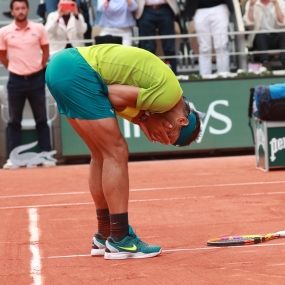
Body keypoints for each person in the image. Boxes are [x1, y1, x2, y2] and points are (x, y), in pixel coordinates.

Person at [45, 44, 203, 260]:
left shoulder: (167, 94)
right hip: (76, 70)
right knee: (116, 151)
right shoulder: (168, 97)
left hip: (61, 67)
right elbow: (110, 94)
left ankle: (105, 233)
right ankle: (120, 238)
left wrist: (142, 118)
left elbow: (109, 95)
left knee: (100, 153)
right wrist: (144, 118)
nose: (162, 138)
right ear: (181, 120)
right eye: (169, 134)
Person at [0, 0, 55, 169]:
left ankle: (46, 155)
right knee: (14, 120)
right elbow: (2, 55)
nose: (20, 10)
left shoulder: (39, 29)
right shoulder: (4, 31)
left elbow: (45, 51)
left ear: (28, 10)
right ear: (12, 11)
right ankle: (14, 158)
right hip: (15, 81)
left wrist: (38, 67)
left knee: (41, 118)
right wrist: (14, 69)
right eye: (17, 8)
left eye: (23, 8)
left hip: (37, 79)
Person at [184, 0, 234, 76]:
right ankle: (205, 77)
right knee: (204, 48)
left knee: (221, 46)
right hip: (199, 9)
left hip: (220, 7)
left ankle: (224, 76)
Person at [135, 0, 179, 75]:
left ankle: (173, 75)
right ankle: (149, 75)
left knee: (169, 47)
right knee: (148, 48)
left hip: (166, 8)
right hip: (145, 10)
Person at [243, 0, 285, 71]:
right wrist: (251, 6)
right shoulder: (252, 3)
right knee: (260, 34)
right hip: (260, 39)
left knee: (283, 34)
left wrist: (276, 4)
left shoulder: (281, 2)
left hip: (276, 37)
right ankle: (265, 62)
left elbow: (282, 22)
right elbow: (249, 25)